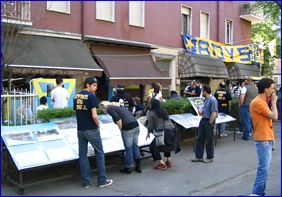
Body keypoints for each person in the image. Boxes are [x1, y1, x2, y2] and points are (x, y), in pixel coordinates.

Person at [73, 77, 113, 189]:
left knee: (82, 155)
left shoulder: (76, 96)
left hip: (80, 130)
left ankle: (86, 182)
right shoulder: (91, 96)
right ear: (88, 85)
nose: (95, 88)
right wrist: (98, 124)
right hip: (91, 129)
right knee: (99, 153)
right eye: (94, 85)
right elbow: (94, 115)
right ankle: (102, 180)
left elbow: (78, 112)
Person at [249, 78, 278, 196]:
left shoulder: (262, 101)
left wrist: (272, 139)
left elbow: (267, 122)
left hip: (266, 139)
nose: (274, 90)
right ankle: (256, 194)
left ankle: (260, 193)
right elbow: (274, 117)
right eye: (272, 87)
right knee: (263, 170)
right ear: (266, 89)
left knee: (265, 170)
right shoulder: (258, 102)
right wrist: (274, 102)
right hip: (263, 140)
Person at [99, 101, 142, 174]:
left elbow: (118, 120)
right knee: (135, 146)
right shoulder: (119, 107)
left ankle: (129, 167)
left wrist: (121, 130)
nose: (102, 111)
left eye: (101, 109)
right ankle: (138, 166)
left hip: (127, 128)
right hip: (136, 125)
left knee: (128, 148)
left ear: (104, 107)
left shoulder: (109, 108)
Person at [146, 99, 176, 170]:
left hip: (161, 131)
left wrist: (148, 133)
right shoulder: (164, 110)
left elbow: (150, 126)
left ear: (152, 105)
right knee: (167, 145)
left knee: (153, 146)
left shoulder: (151, 113)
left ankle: (162, 163)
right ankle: (168, 161)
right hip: (171, 129)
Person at [191, 85, 218, 163]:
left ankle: (210, 157)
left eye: (202, 91)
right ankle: (198, 156)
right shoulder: (206, 99)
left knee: (209, 139)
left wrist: (210, 122)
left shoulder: (213, 100)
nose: (202, 92)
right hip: (203, 119)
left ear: (205, 91)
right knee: (200, 138)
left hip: (209, 120)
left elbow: (214, 112)